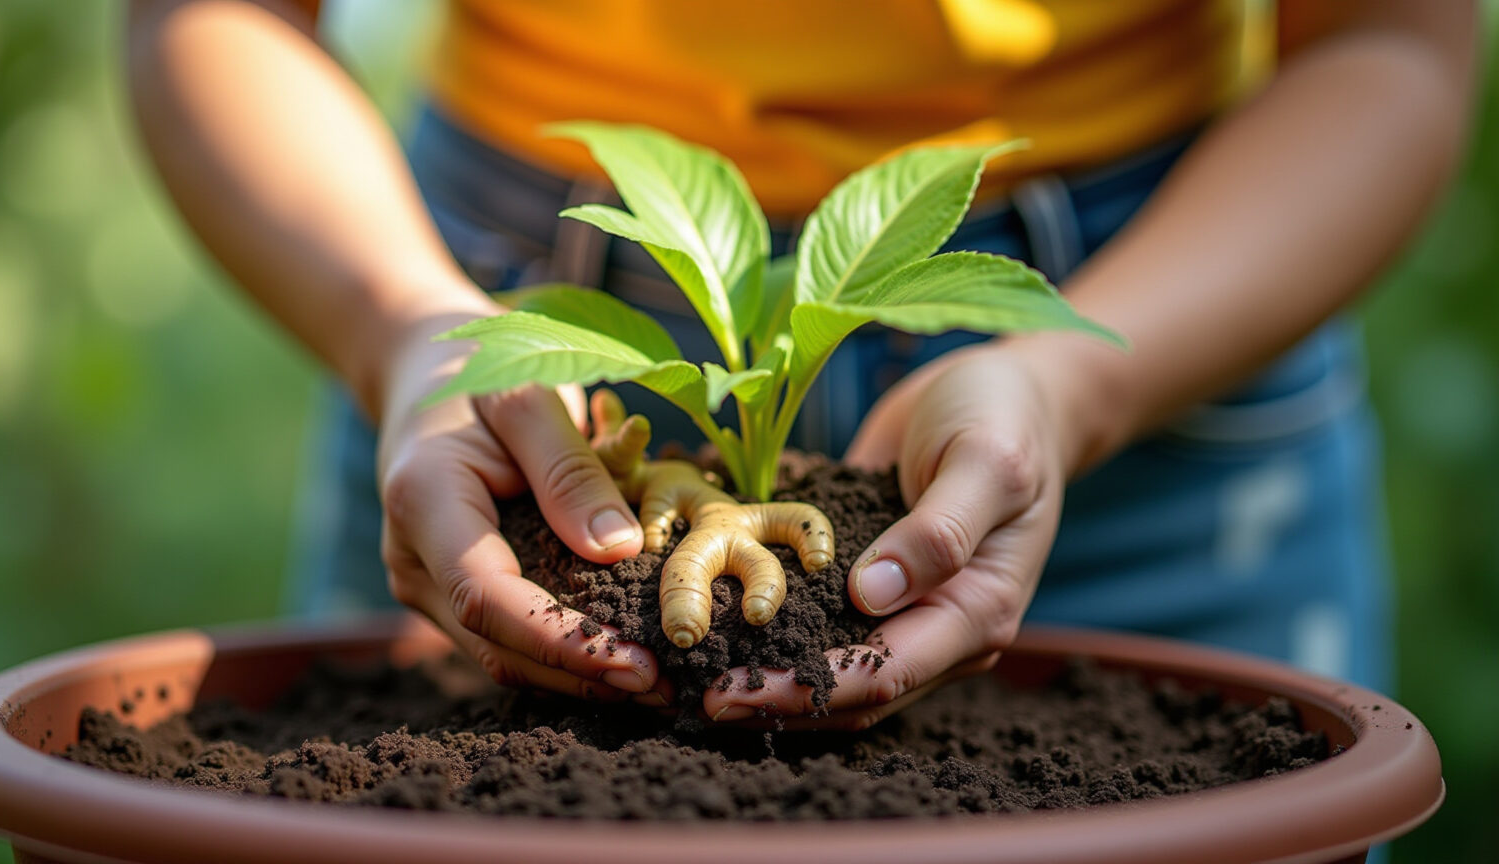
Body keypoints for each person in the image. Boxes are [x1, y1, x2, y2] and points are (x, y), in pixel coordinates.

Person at [125, 0, 1474, 725]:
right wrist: (407, 327)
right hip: (513, 346)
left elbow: (1396, 39)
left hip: (1174, 306)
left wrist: (1074, 385)